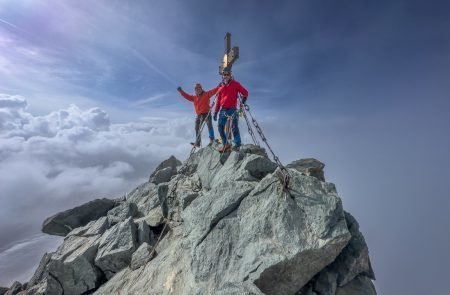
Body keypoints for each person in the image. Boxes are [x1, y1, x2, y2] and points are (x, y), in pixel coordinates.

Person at [213, 69, 249, 152]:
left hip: (232, 109)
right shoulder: (221, 87)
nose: (225, 76)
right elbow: (218, 101)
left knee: (234, 126)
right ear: (222, 76)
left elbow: (245, 93)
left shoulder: (235, 84)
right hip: (223, 110)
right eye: (224, 75)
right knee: (220, 127)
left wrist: (243, 102)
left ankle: (237, 144)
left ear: (230, 75)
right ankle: (226, 145)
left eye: (227, 74)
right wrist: (215, 112)